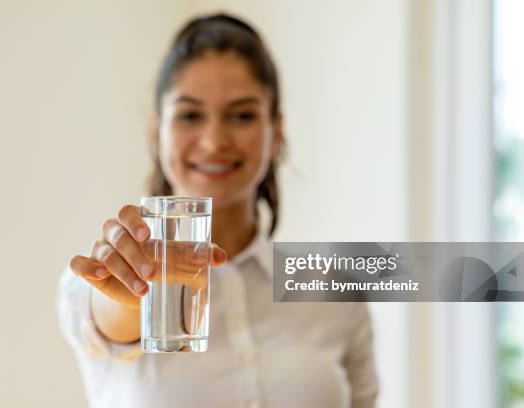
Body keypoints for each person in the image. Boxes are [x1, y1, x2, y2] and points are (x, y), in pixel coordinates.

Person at [57, 13, 378, 408]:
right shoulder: (99, 277)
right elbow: (113, 316)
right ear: (156, 131)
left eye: (242, 115)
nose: (214, 141)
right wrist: (135, 289)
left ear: (276, 131)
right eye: (190, 115)